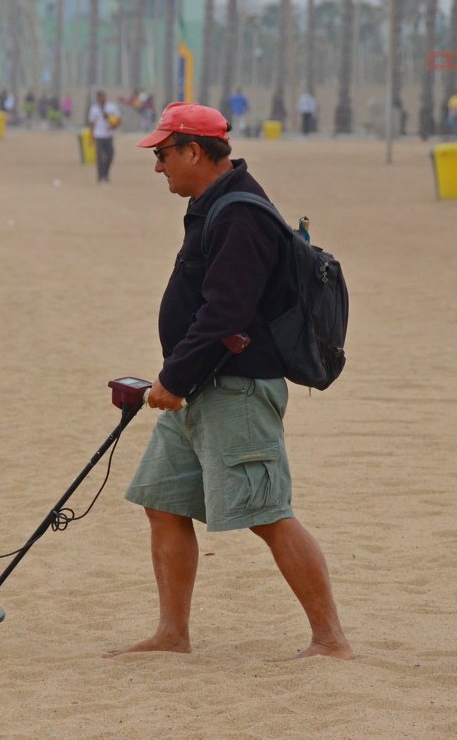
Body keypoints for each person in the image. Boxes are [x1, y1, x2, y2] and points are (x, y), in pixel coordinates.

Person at [105, 102, 353, 661]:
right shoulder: (210, 203)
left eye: (164, 154)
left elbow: (226, 315)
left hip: (235, 390)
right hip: (200, 387)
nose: (158, 167)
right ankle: (172, 634)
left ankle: (330, 640)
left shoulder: (241, 215)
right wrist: (180, 379)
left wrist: (173, 378)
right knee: (163, 503)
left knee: (267, 514)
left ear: (195, 150)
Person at [86, 89, 121, 183]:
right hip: (99, 136)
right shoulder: (94, 109)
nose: (102, 98)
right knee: (100, 157)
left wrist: (113, 125)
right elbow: (92, 123)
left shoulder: (112, 107)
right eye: (100, 97)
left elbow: (119, 119)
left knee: (110, 155)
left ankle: (106, 173)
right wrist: (91, 135)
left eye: (103, 96)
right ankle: (100, 176)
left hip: (109, 136)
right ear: (98, 98)